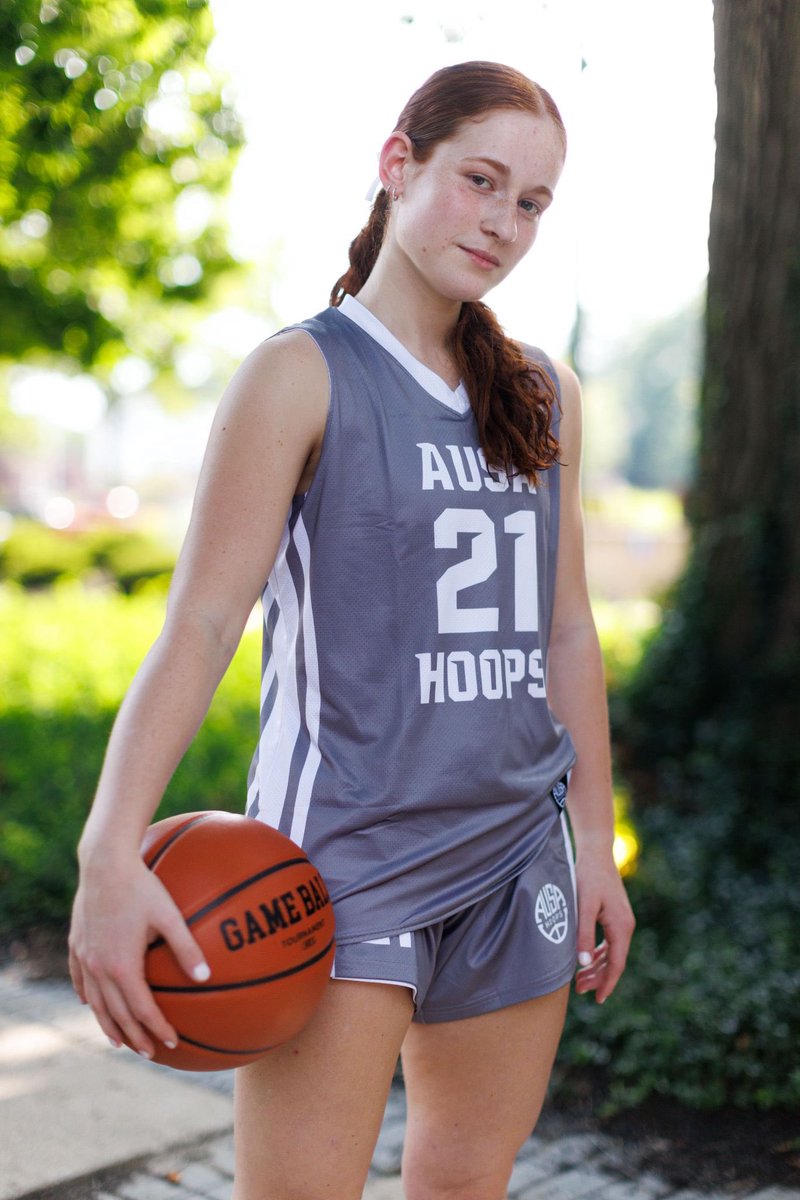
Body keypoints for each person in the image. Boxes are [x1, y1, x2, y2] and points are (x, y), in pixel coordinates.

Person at [69, 60, 635, 1200]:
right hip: (345, 860)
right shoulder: (298, 375)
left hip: (510, 851)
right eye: (480, 180)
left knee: (466, 1183)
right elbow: (203, 625)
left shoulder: (539, 390)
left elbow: (563, 632)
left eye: (531, 202)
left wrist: (592, 844)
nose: (503, 222)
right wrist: (107, 850)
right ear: (396, 165)